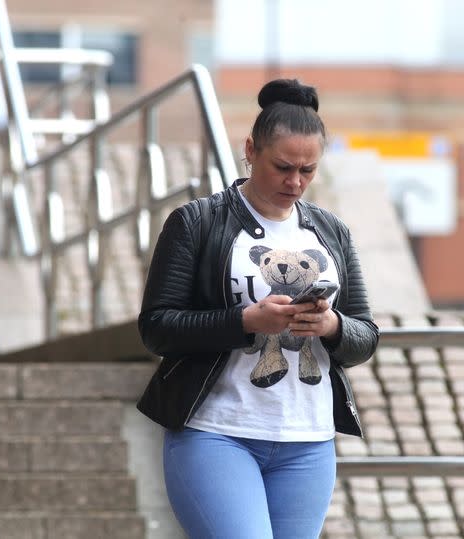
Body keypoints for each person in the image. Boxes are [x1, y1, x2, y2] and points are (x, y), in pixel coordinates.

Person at [137, 78, 379, 538]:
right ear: (250, 149)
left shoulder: (331, 232)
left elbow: (365, 334)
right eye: (283, 166)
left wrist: (330, 326)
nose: (295, 182)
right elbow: (157, 327)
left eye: (308, 170)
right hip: (215, 432)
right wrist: (246, 321)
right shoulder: (197, 222)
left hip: (307, 442)